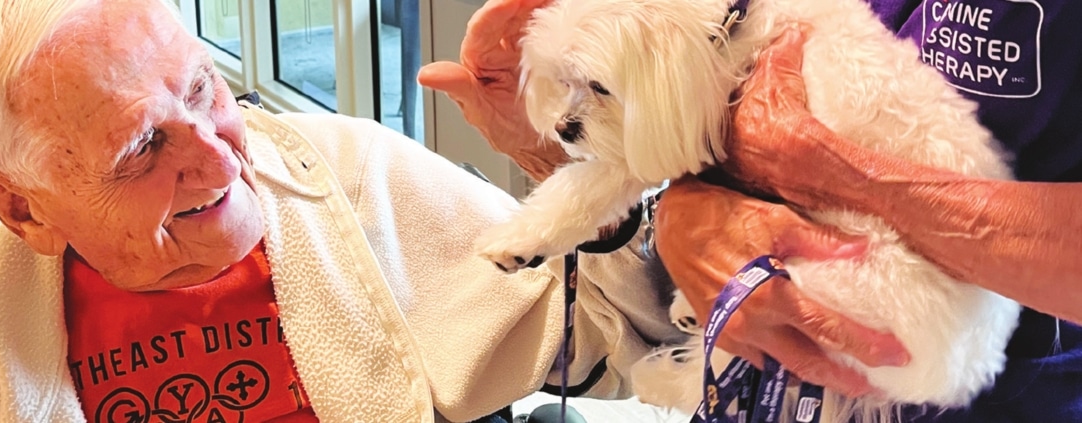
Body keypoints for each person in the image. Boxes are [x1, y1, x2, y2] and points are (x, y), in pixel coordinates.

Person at [0, 0, 687, 422]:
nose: (223, 158)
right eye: (142, 150)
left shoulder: (355, 174)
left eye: (202, 88)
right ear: (20, 207)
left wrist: (575, 171)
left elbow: (630, 337)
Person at [422, 0, 1082, 420]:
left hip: (987, 382)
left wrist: (839, 176)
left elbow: (753, 141)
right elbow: (690, 139)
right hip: (767, 381)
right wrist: (681, 210)